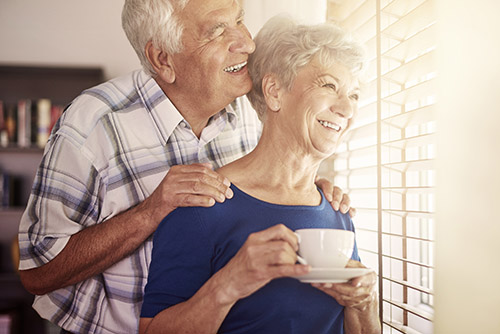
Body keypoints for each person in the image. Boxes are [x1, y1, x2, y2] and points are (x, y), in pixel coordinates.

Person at [17, 0, 353, 333]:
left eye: (239, 20)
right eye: (218, 31)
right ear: (162, 58)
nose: (247, 43)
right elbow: (38, 273)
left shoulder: (247, 116)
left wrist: (305, 189)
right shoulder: (93, 125)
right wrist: (151, 211)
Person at [139, 15, 380, 334]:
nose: (347, 110)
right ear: (275, 91)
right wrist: (228, 284)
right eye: (329, 86)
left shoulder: (337, 213)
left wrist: (364, 304)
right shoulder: (203, 205)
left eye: (354, 95)